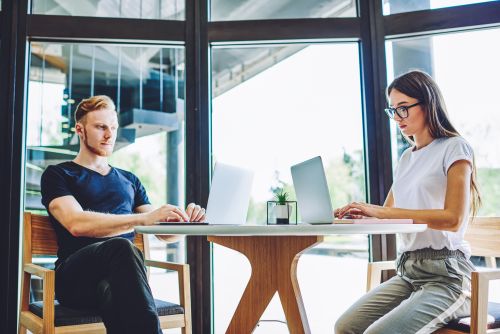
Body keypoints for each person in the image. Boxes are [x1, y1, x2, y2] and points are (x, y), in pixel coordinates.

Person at [40, 95, 205, 334]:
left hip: (122, 280)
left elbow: (162, 232)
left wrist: (187, 224)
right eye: (100, 127)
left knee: (116, 296)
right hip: (75, 280)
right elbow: (76, 223)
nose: (109, 135)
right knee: (121, 247)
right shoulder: (58, 174)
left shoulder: (129, 180)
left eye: (113, 128)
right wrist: (140, 219)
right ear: (80, 129)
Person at [334, 70, 481, 334]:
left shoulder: (454, 147)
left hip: (448, 276)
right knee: (346, 327)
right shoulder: (406, 158)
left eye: (404, 108)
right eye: (393, 110)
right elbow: (388, 214)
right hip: (409, 272)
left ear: (427, 103)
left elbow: (453, 218)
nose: (397, 118)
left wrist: (379, 211)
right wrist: (356, 214)